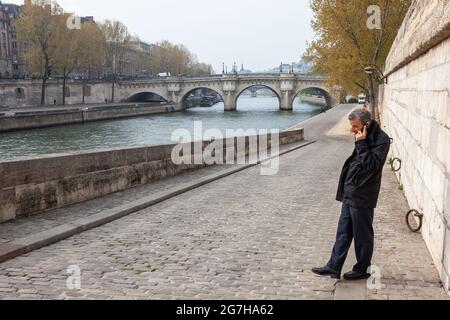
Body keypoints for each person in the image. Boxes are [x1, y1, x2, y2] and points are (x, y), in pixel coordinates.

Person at [312, 108, 391, 280]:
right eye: (352, 126)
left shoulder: (381, 140)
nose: (352, 130)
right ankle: (333, 266)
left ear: (367, 124)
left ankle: (362, 269)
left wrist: (361, 143)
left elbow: (372, 165)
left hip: (363, 194)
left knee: (362, 235)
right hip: (351, 191)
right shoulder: (364, 134)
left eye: (355, 126)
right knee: (343, 232)